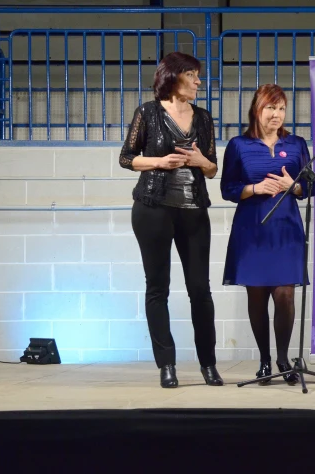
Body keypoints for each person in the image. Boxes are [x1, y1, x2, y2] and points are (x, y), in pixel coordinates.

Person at [119, 51, 222, 389]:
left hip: (194, 210)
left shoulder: (204, 118)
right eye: (193, 75)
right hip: (152, 208)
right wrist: (159, 162)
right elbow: (127, 158)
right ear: (174, 76)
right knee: (157, 288)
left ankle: (209, 364)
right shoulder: (147, 113)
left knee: (200, 290)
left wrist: (198, 159)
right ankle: (167, 365)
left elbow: (212, 168)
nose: (198, 82)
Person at [221, 84, 314, 386]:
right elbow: (228, 188)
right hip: (251, 228)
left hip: (286, 228)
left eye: (281, 108)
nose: (276, 114)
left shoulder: (297, 144)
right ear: (257, 110)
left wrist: (295, 186)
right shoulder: (238, 145)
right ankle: (263, 360)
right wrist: (254, 188)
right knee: (257, 296)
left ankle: (284, 360)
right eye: (270, 108)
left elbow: (311, 187)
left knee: (285, 294)